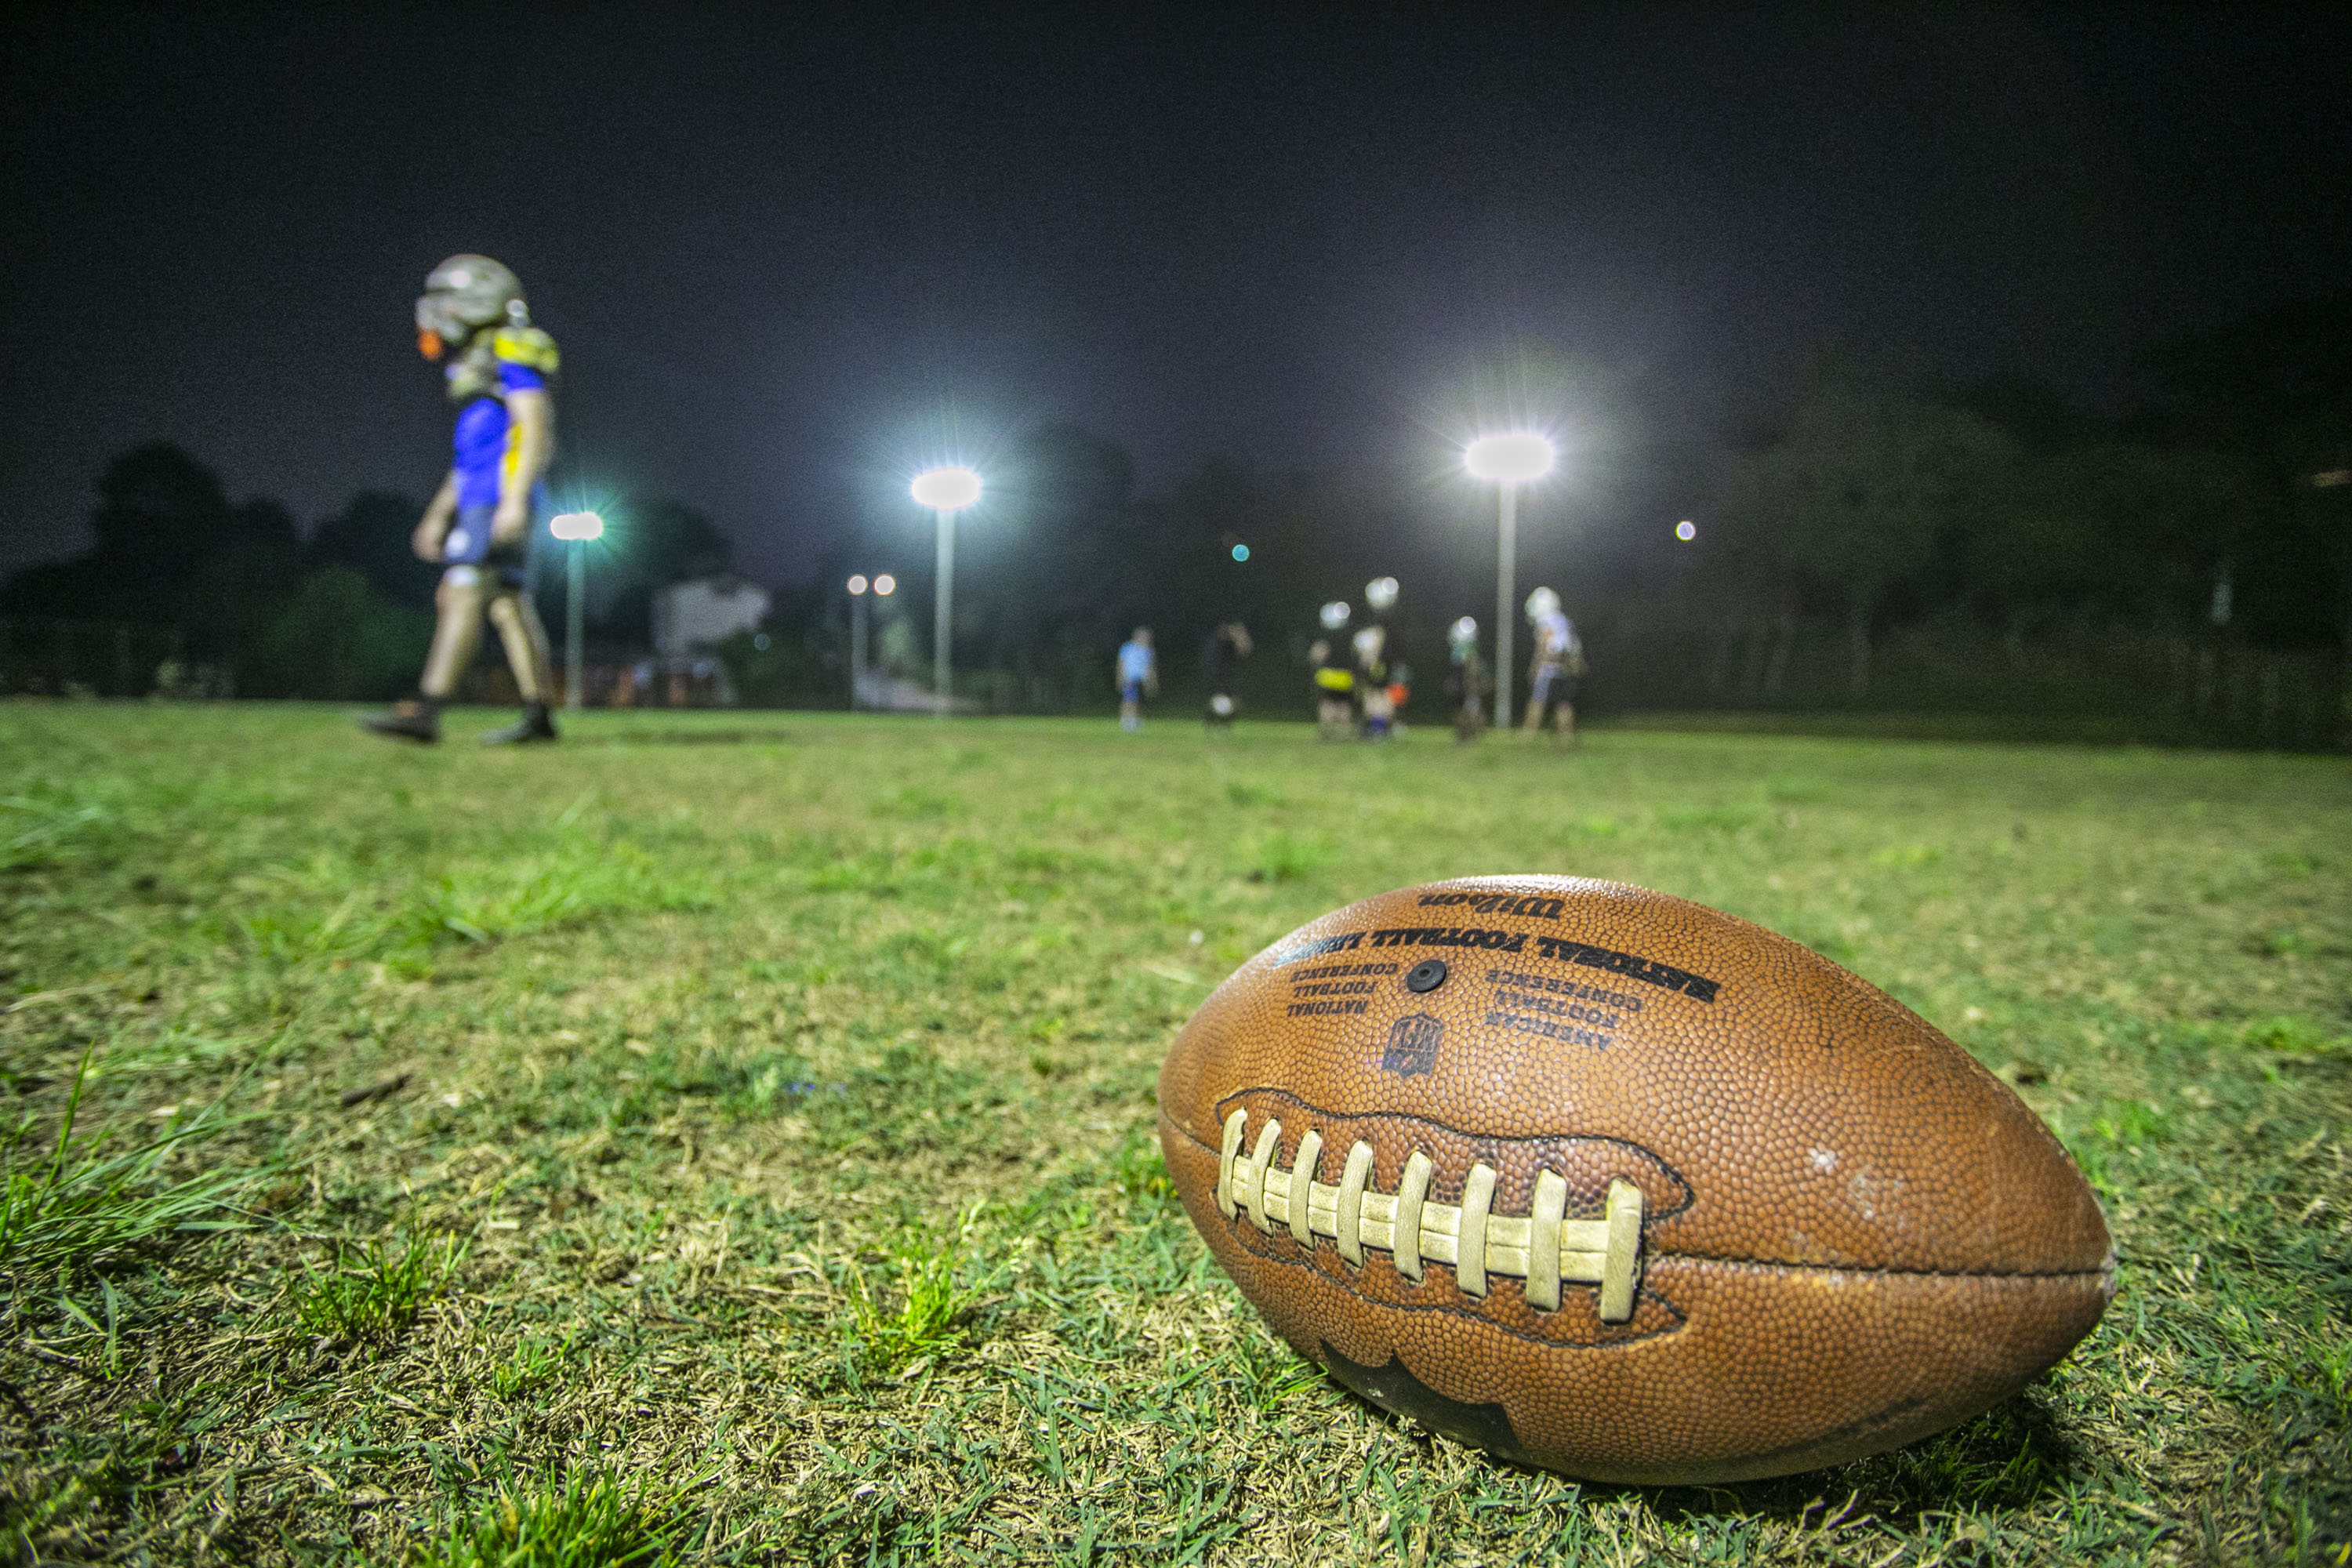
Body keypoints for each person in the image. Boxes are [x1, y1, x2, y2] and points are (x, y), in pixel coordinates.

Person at [361, 255, 561, 745]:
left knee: (463, 589)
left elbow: (534, 427)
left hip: (498, 499)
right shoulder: (475, 364)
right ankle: (540, 717)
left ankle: (426, 710)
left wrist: (514, 500)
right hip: (480, 496)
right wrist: (437, 513)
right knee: (509, 606)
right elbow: (469, 459)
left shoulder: (511, 352)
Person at [1523, 586, 1586, 743]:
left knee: (1537, 700)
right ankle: (1567, 735)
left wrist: (1535, 667)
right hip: (1565, 667)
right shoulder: (1563, 620)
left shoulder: (1546, 621)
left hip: (1549, 667)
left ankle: (1529, 733)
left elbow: (1544, 646)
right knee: (1563, 703)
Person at [1446, 616, 1488, 742]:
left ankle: (1466, 732)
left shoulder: (1464, 647)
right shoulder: (1466, 645)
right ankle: (1469, 732)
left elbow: (1470, 662)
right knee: (1469, 705)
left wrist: (1471, 681)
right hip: (1464, 677)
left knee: (1465, 705)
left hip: (1465, 678)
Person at [1202, 622, 1251, 727]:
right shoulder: (1216, 643)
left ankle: (1218, 720)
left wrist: (1240, 636)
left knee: (1232, 702)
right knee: (1223, 700)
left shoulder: (1229, 643)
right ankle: (1217, 720)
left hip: (1227, 674)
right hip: (1218, 674)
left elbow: (1245, 649)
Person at [1310, 637, 1354, 740]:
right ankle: (1343, 733)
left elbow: (1317, 652)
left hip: (1328, 673)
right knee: (1344, 704)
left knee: (1327, 703)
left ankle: (1326, 731)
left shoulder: (1326, 631)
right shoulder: (1349, 632)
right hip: (1345, 674)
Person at [1116, 626, 1157, 731]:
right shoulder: (1127, 648)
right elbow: (1121, 663)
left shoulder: (1148, 650)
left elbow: (1150, 666)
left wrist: (1152, 681)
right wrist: (1120, 676)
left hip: (1142, 678)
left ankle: (1136, 721)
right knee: (1129, 699)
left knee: (1138, 701)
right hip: (1129, 677)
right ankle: (1126, 721)